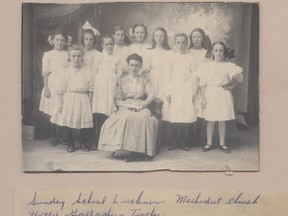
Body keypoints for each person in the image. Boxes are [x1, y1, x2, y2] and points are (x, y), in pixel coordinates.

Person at [98, 53, 158, 162]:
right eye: (132, 65)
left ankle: (139, 152)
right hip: (126, 105)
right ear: (128, 65)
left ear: (140, 66)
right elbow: (118, 99)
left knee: (144, 118)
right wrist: (128, 105)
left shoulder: (145, 80)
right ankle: (131, 150)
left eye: (136, 65)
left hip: (141, 105)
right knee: (127, 117)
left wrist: (143, 105)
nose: (134, 68)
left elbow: (152, 94)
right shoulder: (122, 80)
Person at [199, 41, 244, 153]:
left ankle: (222, 144)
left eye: (221, 50)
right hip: (210, 93)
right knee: (210, 120)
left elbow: (240, 79)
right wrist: (204, 98)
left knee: (222, 120)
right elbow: (202, 84)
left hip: (223, 93)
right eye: (216, 50)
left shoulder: (228, 66)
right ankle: (208, 143)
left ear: (224, 52)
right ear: (212, 52)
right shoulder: (207, 65)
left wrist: (231, 86)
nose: (218, 53)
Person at [50, 45, 94, 152]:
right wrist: (61, 104)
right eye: (73, 56)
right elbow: (60, 89)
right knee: (68, 121)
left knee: (84, 121)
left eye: (79, 56)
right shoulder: (65, 71)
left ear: (82, 57)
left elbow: (91, 89)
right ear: (69, 57)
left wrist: (89, 102)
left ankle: (83, 142)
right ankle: (70, 143)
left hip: (83, 98)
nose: (76, 58)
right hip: (69, 98)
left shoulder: (87, 71)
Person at [166, 33, 197, 151]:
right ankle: (174, 140)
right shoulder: (171, 58)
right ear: (175, 44)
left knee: (185, 115)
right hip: (175, 87)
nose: (181, 45)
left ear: (187, 43)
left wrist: (193, 92)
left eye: (183, 42)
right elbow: (167, 75)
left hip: (187, 87)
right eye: (178, 42)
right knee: (175, 115)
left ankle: (184, 141)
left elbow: (194, 76)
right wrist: (168, 91)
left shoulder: (191, 58)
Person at [92, 35, 122, 149]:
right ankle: (95, 139)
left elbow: (119, 74)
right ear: (102, 45)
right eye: (107, 44)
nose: (109, 46)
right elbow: (94, 72)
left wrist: (118, 88)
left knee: (108, 111)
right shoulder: (99, 56)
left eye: (111, 44)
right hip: (100, 85)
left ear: (114, 44)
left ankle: (105, 140)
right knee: (98, 111)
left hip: (111, 85)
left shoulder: (117, 58)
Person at [39, 31, 69, 146]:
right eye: (57, 40)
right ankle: (54, 136)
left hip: (64, 83)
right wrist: (46, 88)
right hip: (52, 83)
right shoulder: (48, 54)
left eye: (62, 40)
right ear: (52, 41)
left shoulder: (68, 54)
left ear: (65, 42)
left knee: (62, 109)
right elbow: (45, 73)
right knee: (52, 110)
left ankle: (61, 136)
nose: (59, 42)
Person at [188, 28, 212, 143]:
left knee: (200, 108)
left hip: (202, 83)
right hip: (190, 83)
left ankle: (197, 135)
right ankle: (188, 135)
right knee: (189, 107)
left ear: (203, 39)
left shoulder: (206, 53)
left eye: (199, 37)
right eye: (194, 37)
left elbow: (208, 69)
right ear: (191, 39)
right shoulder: (188, 52)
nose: (196, 39)